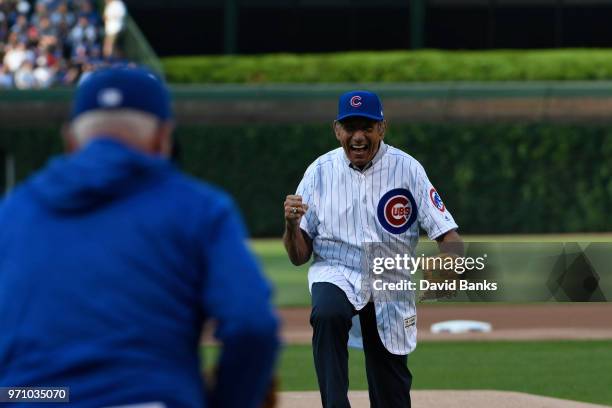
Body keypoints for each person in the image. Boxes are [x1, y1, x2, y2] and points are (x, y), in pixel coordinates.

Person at [0, 66, 279, 408]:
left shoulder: (13, 212)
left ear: (70, 140)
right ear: (163, 137)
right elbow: (252, 324)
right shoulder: (199, 209)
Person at [283, 90, 463, 407]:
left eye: (367, 126)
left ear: (382, 128)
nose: (358, 136)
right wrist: (291, 225)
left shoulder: (407, 169)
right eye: (350, 127)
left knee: (391, 393)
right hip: (336, 271)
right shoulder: (319, 172)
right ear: (336, 130)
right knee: (328, 313)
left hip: (389, 278)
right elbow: (300, 256)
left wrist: (447, 269)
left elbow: (449, 237)